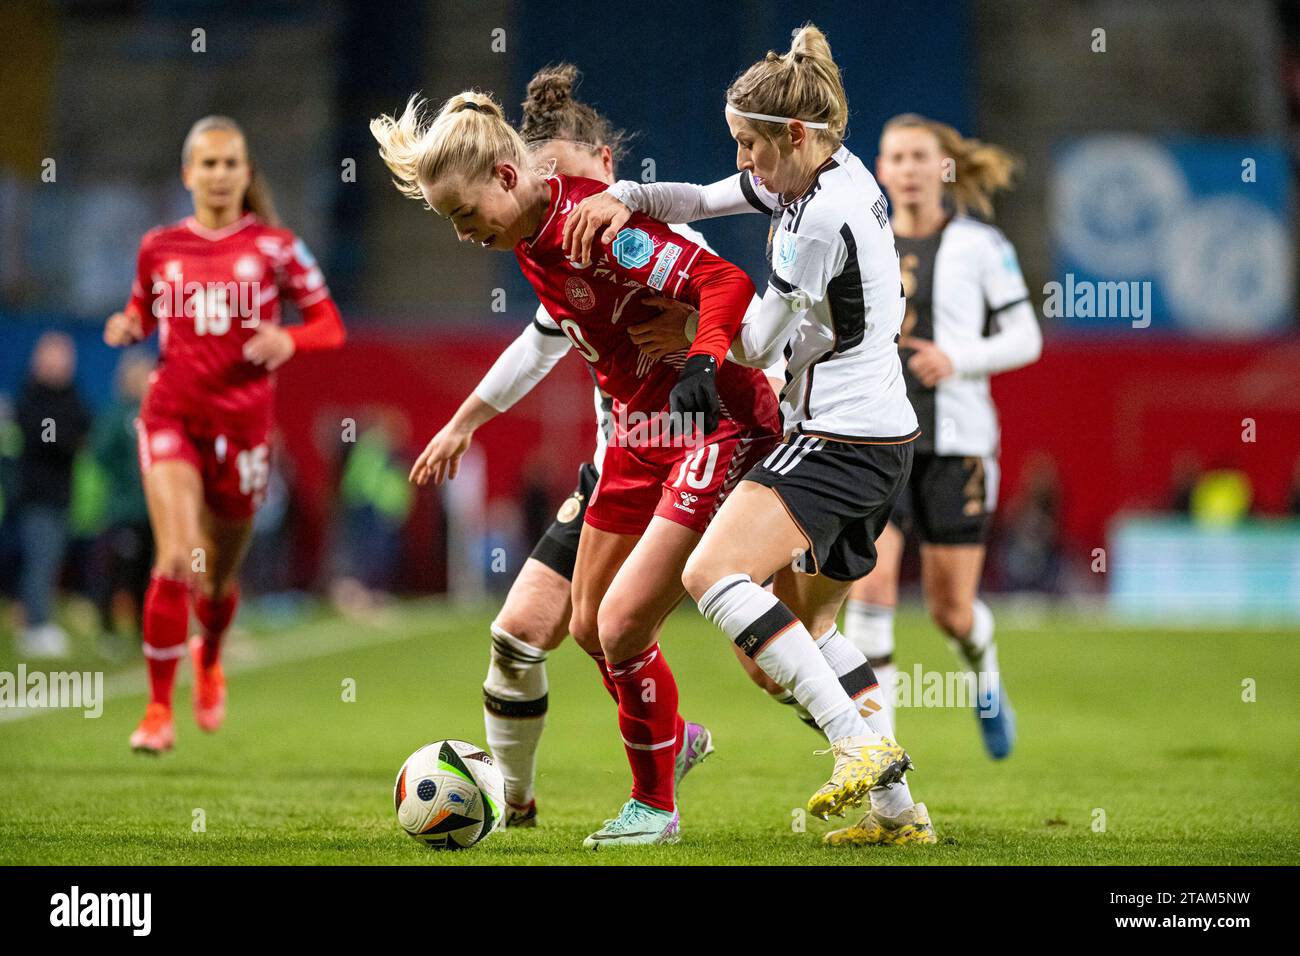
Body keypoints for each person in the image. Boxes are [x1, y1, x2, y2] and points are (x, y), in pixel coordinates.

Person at [371, 87, 783, 847]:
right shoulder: (525, 240)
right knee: (590, 628)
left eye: (465, 215)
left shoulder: (593, 226)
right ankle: (675, 743)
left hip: (702, 424)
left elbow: (723, 283)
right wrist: (465, 420)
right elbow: (544, 339)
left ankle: (661, 805)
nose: (463, 235)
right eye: (451, 222)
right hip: (631, 439)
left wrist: (702, 355)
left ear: (503, 178)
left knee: (639, 629)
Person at [563, 23, 935, 846]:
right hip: (882, 439)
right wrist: (631, 199)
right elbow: (702, 197)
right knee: (805, 634)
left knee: (713, 572)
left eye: (750, 147)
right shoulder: (829, 172)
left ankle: (855, 749)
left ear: (794, 135)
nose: (744, 164)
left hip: (837, 439)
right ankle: (901, 816)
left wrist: (691, 331)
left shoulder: (816, 219)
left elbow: (759, 343)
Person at [104, 115, 346, 753]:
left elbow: (330, 325)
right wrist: (129, 325)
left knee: (216, 579)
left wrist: (286, 337)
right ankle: (158, 710)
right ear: (188, 174)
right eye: (206, 164)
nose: (217, 175)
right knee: (178, 557)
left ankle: (208, 657)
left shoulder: (276, 247)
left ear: (246, 172)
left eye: (229, 163)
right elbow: (141, 305)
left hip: (242, 431)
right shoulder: (159, 246)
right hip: (171, 417)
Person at [838, 114, 1041, 760]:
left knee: (952, 611)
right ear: (881, 167)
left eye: (920, 157)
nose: (908, 169)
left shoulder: (981, 245)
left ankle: (984, 678)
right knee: (872, 586)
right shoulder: (861, 239)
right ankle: (882, 757)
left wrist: (958, 355)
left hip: (956, 442)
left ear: (943, 167)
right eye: (895, 157)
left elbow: (1026, 338)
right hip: (878, 437)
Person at [14, 332, 91, 659]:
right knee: (40, 560)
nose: (63, 364)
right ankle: (35, 627)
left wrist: (70, 437)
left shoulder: (70, 395)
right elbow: (48, 437)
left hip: (62, 494)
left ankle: (39, 621)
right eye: (56, 356)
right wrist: (66, 439)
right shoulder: (34, 395)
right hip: (37, 496)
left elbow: (85, 425)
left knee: (52, 558)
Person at [92, 350, 154, 651]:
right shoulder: (118, 414)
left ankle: (145, 631)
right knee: (120, 571)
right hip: (125, 510)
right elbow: (101, 452)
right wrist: (126, 479)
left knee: (149, 573)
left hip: (155, 509)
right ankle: (108, 628)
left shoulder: (158, 411)